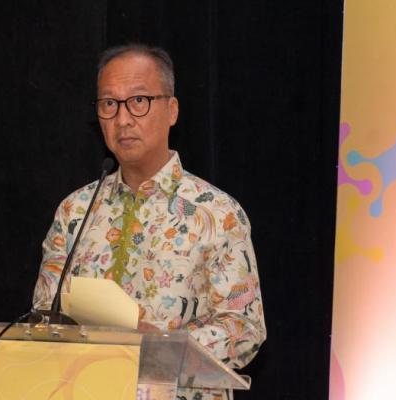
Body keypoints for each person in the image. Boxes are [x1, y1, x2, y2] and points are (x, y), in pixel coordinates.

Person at [32, 44, 266, 400]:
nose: (123, 119)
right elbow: (43, 318)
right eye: (109, 104)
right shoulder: (75, 210)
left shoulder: (218, 213)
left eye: (139, 101)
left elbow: (244, 329)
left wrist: (161, 347)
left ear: (172, 110)